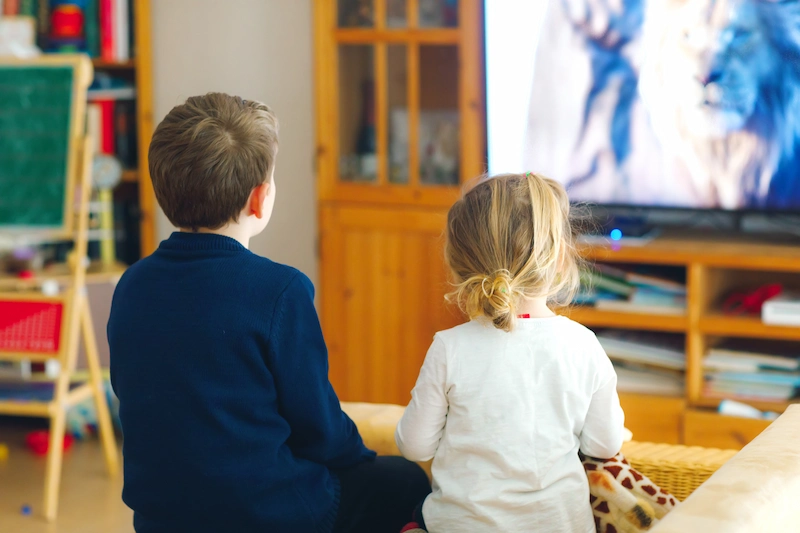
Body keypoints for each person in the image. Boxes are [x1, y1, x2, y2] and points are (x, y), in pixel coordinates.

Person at [108, 92, 430, 533]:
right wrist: (359, 454)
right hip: (269, 515)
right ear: (260, 200)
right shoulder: (281, 291)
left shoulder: (132, 285)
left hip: (161, 518)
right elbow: (318, 427)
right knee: (405, 481)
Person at [396, 172, 624, 532]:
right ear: (560, 260)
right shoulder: (583, 345)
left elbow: (415, 447)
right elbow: (604, 444)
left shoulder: (449, 348)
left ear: (460, 266)